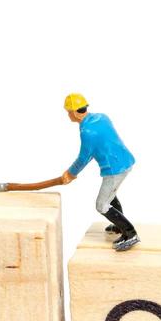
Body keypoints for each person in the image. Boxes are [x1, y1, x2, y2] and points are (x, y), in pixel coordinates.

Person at [59, 94, 139, 251]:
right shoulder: (102, 117)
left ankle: (130, 234)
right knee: (111, 195)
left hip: (114, 169)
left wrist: (71, 173)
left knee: (102, 205)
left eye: (68, 111)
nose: (68, 115)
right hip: (124, 160)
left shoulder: (87, 131)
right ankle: (118, 227)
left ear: (74, 112)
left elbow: (84, 157)